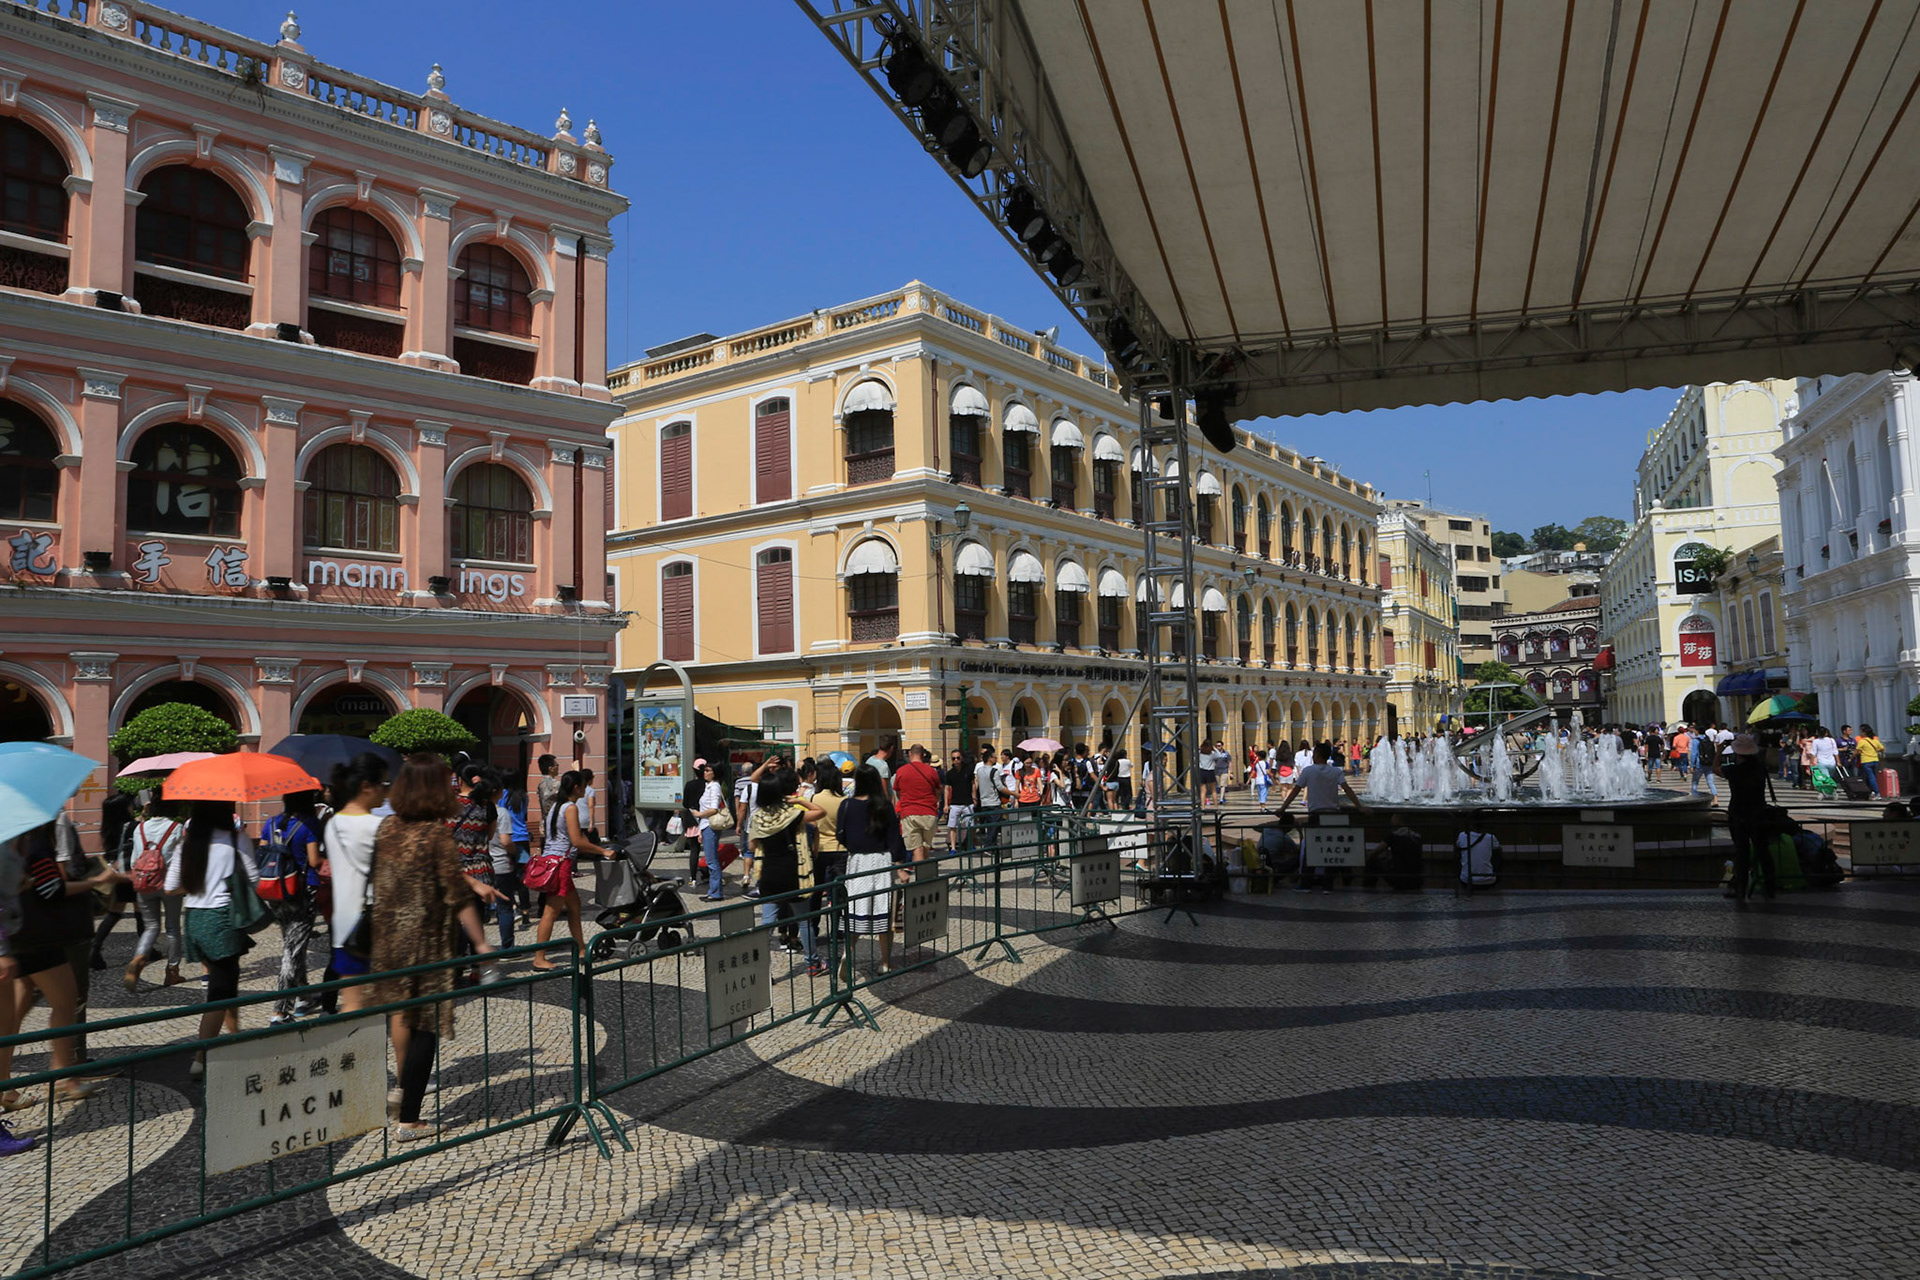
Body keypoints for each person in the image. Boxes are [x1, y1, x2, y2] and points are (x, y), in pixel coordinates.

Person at [367, 753, 496, 1139]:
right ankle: (410, 1119)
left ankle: (401, 1090)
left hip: (389, 937)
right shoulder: (435, 833)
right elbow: (456, 894)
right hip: (426, 942)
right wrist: (481, 943)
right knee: (425, 1025)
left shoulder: (387, 827)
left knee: (402, 1015)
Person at [0, 822, 115, 1110]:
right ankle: (63, 1076)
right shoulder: (34, 838)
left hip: (16, 936)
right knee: (65, 1001)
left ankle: (7, 1087)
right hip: (33, 937)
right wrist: (97, 880)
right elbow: (51, 888)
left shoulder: (14, 833)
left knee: (11, 1014)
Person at [165, 800, 259, 1077]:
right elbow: (254, 879)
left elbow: (170, 887)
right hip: (223, 918)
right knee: (220, 991)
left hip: (195, 918)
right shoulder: (237, 839)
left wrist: (199, 883)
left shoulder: (188, 843)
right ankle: (200, 1057)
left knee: (227, 979)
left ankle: (233, 1035)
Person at [322, 753, 391, 1015]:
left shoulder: (332, 823)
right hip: (376, 922)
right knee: (384, 1004)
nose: (386, 790)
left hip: (345, 924)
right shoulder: (379, 826)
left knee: (352, 1004)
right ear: (366, 786)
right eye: (384, 784)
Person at [747, 768, 827, 975]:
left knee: (767, 925)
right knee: (804, 921)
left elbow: (751, 846)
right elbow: (820, 812)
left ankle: (761, 971)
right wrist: (800, 800)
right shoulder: (792, 815)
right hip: (793, 874)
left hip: (768, 874)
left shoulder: (758, 818)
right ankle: (812, 963)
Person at [530, 770, 609, 969]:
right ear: (576, 787)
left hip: (552, 861)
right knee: (551, 912)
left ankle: (581, 949)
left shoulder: (556, 806)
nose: (586, 789)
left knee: (575, 907)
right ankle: (539, 958)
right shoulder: (570, 808)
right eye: (584, 785)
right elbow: (577, 841)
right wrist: (603, 851)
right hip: (561, 864)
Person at [260, 791, 324, 1025]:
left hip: (275, 891)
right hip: (302, 892)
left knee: (294, 944)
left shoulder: (271, 823)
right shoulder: (309, 825)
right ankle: (280, 1010)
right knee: (292, 950)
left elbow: (263, 852)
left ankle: (303, 996)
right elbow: (314, 860)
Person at [839, 765, 910, 972]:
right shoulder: (883, 805)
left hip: (856, 862)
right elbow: (894, 838)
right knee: (883, 911)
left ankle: (848, 952)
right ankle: (885, 963)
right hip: (881, 861)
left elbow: (840, 834)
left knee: (856, 909)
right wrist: (900, 866)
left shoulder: (846, 805)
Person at [124, 798, 188, 991]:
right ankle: (172, 972)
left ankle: (138, 958)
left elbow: (134, 861)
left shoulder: (140, 828)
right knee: (172, 927)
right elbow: (182, 858)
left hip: (144, 882)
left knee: (151, 926)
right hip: (169, 884)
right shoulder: (176, 828)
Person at [1718, 733, 1775, 904]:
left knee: (1742, 853)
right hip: (1759, 813)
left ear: (1738, 753)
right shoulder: (1760, 768)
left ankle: (1741, 889)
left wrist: (1719, 751)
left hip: (1738, 814)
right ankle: (1770, 887)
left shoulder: (1734, 770)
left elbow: (1715, 768)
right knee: (1763, 851)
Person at [1276, 743, 1362, 817]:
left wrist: (1283, 808)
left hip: (1315, 812)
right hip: (1333, 811)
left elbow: (1296, 791)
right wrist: (1359, 807)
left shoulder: (1308, 771)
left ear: (1317, 755)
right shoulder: (1336, 771)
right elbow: (1347, 789)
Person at [891, 745, 944, 864]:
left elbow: (898, 793)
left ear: (910, 754)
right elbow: (938, 791)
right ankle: (925, 872)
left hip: (909, 812)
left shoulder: (901, 771)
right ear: (923, 755)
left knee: (917, 849)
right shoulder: (931, 771)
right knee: (925, 847)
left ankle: (921, 874)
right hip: (929, 812)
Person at [692, 761, 728, 901]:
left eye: (708, 770)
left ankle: (716, 892)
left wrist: (700, 814)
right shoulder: (709, 786)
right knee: (710, 859)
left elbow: (714, 808)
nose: (705, 773)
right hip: (705, 826)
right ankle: (713, 890)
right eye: (705, 770)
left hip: (710, 825)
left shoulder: (715, 787)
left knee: (712, 860)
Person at [942, 748, 973, 853]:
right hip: (955, 803)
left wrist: (974, 797)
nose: (956, 760)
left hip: (968, 802)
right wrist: (946, 804)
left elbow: (973, 783)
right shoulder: (950, 773)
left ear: (962, 758)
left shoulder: (968, 770)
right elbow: (946, 788)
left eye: (958, 758)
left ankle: (970, 844)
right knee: (952, 826)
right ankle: (953, 847)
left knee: (970, 825)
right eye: (954, 758)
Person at [1856, 724, 1885, 791]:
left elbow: (1856, 751)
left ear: (1864, 733)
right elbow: (1883, 749)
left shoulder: (1862, 741)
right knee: (1873, 776)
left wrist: (1851, 758)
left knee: (1870, 777)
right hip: (1875, 760)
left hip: (1866, 761)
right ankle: (1872, 790)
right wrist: (1876, 751)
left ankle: (1876, 791)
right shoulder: (1875, 740)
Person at [1112, 748, 1133, 812]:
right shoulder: (1127, 761)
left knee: (1121, 792)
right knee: (1128, 793)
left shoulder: (1117, 761)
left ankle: (1121, 804)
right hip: (1126, 778)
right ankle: (1126, 804)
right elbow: (1132, 765)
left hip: (1119, 778)